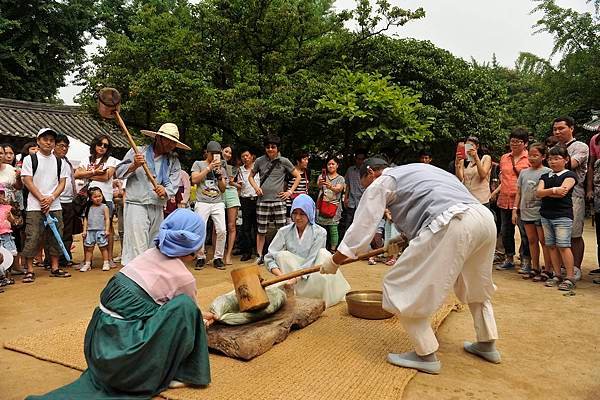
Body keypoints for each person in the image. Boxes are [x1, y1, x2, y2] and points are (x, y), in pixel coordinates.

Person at [320, 158, 500, 374]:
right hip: (483, 219)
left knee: (399, 285)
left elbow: (362, 229)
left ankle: (425, 354)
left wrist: (334, 262)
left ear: (370, 172)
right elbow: (432, 202)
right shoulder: (422, 169)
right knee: (475, 284)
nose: (368, 188)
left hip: (453, 222)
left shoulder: (382, 181)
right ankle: (487, 342)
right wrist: (402, 238)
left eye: (366, 183)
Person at [26, 209, 213, 399]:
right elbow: (188, 315)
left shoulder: (148, 255)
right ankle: (185, 373)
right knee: (185, 308)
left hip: (98, 349)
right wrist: (200, 319)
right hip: (123, 361)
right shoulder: (183, 278)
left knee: (175, 309)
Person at [115, 123, 187, 265]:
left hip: (157, 205)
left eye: (174, 142)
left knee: (153, 245)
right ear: (158, 138)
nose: (171, 144)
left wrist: (165, 190)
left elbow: (173, 183)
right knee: (137, 245)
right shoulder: (137, 152)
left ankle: (148, 276)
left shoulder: (173, 161)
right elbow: (118, 172)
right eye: (168, 140)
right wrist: (133, 165)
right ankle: (137, 278)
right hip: (137, 203)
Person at [264, 194, 350, 307]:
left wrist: (296, 278)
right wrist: (281, 277)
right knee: (282, 255)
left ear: (309, 213)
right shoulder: (284, 231)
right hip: (290, 278)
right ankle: (292, 291)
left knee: (323, 254)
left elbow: (311, 260)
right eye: (295, 213)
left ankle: (318, 294)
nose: (298, 217)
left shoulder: (320, 232)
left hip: (313, 273)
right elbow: (269, 257)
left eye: (302, 213)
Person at [20, 128, 71, 283]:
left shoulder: (59, 161)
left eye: (51, 140)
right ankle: (29, 269)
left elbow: (62, 182)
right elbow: (27, 180)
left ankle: (55, 267)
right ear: (38, 140)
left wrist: (51, 198)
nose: (48, 142)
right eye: (45, 139)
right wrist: (41, 198)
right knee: (33, 235)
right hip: (35, 205)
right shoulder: (31, 159)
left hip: (54, 204)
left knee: (56, 236)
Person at [248, 135, 301, 264]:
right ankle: (259, 255)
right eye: (268, 147)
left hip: (279, 200)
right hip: (263, 200)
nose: (270, 149)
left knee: (282, 230)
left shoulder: (284, 161)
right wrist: (256, 187)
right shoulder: (260, 161)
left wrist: (289, 192)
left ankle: (280, 255)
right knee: (261, 230)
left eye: (273, 147)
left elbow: (298, 176)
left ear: (277, 148)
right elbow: (250, 176)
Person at [537, 145, 578, 291]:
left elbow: (564, 192)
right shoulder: (545, 176)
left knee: (563, 245)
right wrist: (554, 190)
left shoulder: (570, 175)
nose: (552, 162)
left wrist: (547, 192)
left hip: (562, 215)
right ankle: (557, 274)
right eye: (550, 159)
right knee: (551, 246)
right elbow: (538, 192)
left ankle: (570, 276)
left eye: (556, 159)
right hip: (546, 214)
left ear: (566, 160)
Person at [75, 135, 118, 266]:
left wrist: (88, 173)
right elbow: (76, 174)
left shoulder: (111, 160)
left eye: (106, 145)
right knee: (86, 227)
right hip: (88, 199)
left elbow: (106, 176)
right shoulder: (85, 159)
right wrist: (96, 172)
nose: (102, 147)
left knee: (108, 227)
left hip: (106, 198)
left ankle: (109, 258)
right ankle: (86, 260)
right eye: (100, 144)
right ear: (94, 145)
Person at [553, 116, 587, 280]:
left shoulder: (581, 147)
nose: (557, 132)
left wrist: (553, 161)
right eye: (555, 129)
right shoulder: (554, 147)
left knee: (574, 233)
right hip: (555, 195)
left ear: (571, 128)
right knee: (558, 232)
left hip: (575, 194)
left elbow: (570, 165)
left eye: (561, 128)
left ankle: (576, 267)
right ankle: (560, 266)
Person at [512, 143, 552, 279]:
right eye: (530, 155)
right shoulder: (524, 172)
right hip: (525, 211)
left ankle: (548, 269)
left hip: (541, 212)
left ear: (543, 156)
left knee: (544, 240)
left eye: (536, 155)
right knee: (531, 240)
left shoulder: (547, 172)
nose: (532, 158)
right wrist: (514, 209)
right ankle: (535, 267)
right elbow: (519, 192)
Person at [496, 128, 531, 271]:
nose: (514, 144)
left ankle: (526, 260)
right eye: (512, 141)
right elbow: (501, 176)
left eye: (518, 141)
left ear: (525, 143)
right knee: (506, 231)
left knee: (525, 232)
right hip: (504, 199)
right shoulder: (504, 157)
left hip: (523, 200)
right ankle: (508, 257)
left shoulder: (530, 158)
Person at [191, 141, 228, 270]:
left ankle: (218, 257)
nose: (216, 156)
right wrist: (208, 168)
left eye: (218, 154)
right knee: (200, 229)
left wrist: (219, 176)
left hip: (218, 202)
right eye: (213, 154)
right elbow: (194, 179)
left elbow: (223, 189)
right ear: (207, 153)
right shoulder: (198, 164)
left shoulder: (222, 167)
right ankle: (200, 257)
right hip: (202, 202)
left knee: (222, 230)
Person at [52, 134, 79, 267]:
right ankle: (52, 260)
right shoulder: (51, 161)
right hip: (56, 201)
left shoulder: (67, 162)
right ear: (54, 146)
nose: (64, 149)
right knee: (56, 231)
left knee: (68, 232)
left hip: (69, 201)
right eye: (61, 146)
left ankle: (66, 257)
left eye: (66, 146)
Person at [317, 156, 345, 252]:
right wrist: (321, 183)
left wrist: (330, 186)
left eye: (333, 164)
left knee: (333, 229)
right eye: (329, 164)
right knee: (321, 229)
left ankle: (333, 249)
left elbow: (339, 189)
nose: (331, 166)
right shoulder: (321, 176)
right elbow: (318, 186)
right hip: (322, 205)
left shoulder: (340, 178)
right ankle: (321, 248)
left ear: (337, 165)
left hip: (334, 206)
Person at [79, 187, 111, 272]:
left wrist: (107, 230)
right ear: (90, 198)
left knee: (103, 247)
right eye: (95, 197)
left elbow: (107, 219)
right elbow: (85, 219)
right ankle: (87, 263)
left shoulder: (104, 207)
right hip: (90, 231)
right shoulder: (88, 208)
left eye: (99, 196)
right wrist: (84, 230)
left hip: (101, 230)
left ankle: (106, 262)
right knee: (89, 248)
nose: (98, 198)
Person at [455, 136, 492, 206]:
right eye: (467, 146)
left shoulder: (486, 158)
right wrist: (457, 164)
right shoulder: (464, 160)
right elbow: (460, 179)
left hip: (482, 200)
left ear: (477, 146)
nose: (469, 148)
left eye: (471, 145)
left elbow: (483, 175)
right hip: (468, 199)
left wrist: (476, 157)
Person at [237, 148, 259, 261]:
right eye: (243, 156)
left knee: (257, 226)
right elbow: (240, 185)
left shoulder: (258, 167)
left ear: (252, 156)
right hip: (245, 199)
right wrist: (234, 184)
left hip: (257, 199)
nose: (245, 158)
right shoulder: (240, 170)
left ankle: (259, 251)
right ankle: (247, 251)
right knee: (246, 227)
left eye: (247, 155)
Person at [222, 144, 241, 265]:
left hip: (232, 194)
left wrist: (232, 183)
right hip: (218, 193)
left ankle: (228, 255)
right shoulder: (214, 163)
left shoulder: (236, 168)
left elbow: (241, 186)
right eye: (226, 151)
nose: (228, 154)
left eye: (230, 153)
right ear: (221, 151)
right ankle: (217, 255)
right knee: (217, 227)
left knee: (231, 226)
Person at [343, 149, 367, 230]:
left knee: (361, 223)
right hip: (352, 200)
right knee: (349, 223)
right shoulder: (350, 170)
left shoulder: (367, 171)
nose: (360, 161)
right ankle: (346, 242)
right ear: (355, 159)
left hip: (363, 201)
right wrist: (345, 198)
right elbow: (347, 185)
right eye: (358, 159)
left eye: (362, 159)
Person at [286, 151, 310, 217]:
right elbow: (285, 186)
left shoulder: (307, 172)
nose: (307, 161)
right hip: (290, 203)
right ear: (298, 161)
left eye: (307, 159)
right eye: (304, 159)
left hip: (303, 203)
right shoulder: (290, 172)